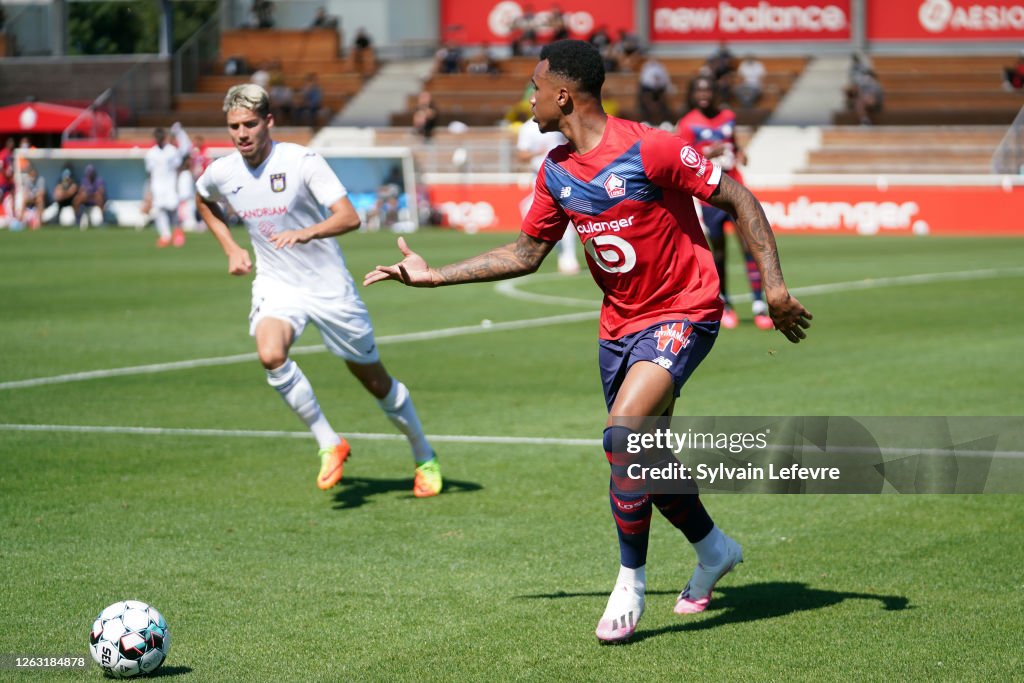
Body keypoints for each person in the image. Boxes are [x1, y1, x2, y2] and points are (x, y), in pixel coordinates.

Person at [364, 40, 811, 643]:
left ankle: (629, 581)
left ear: (564, 95)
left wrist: (775, 288)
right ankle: (713, 548)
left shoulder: (651, 146)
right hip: (619, 327)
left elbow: (739, 198)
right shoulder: (555, 171)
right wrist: (432, 275)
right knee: (645, 454)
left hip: (685, 310)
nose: (529, 99)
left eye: (534, 87)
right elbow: (525, 254)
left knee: (621, 432)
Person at [194, 84, 442, 498]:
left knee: (375, 382)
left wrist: (307, 233)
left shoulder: (301, 161)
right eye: (234, 126)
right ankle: (329, 441)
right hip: (277, 284)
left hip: (329, 288)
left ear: (268, 122)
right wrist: (231, 247)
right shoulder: (223, 171)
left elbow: (349, 217)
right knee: (270, 354)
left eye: (250, 124)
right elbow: (203, 198)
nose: (241, 133)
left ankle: (424, 454)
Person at [678, 75, 772, 330]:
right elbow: (681, 159)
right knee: (718, 251)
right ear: (693, 94)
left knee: (748, 244)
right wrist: (707, 154)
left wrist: (740, 153)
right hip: (709, 193)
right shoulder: (688, 124)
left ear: (716, 93)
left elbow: (733, 144)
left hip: (735, 186)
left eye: (708, 90)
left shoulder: (728, 117)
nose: (704, 94)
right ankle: (726, 304)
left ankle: (758, 304)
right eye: (699, 90)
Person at [516, 116, 578, 274]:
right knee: (531, 210)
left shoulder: (556, 121)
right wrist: (538, 152)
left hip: (560, 173)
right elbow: (522, 155)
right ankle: (562, 254)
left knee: (561, 214)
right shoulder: (528, 128)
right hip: (538, 176)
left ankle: (568, 257)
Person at [145, 123, 192, 248]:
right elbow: (149, 173)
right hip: (157, 186)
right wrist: (148, 192)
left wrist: (178, 185)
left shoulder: (172, 151)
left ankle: (178, 232)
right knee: (159, 210)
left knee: (173, 209)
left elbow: (178, 169)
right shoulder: (151, 153)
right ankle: (165, 235)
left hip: (170, 185)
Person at [636, 52, 673, 127]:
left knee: (664, 103)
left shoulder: (661, 67)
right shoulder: (645, 66)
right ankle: (646, 121)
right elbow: (642, 81)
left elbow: (666, 80)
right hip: (648, 89)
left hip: (659, 90)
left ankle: (665, 122)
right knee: (643, 101)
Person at [74, 164, 106, 229]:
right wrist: (85, 194)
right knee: (77, 199)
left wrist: (90, 194)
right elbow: (81, 191)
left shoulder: (99, 180)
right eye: (88, 173)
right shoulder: (84, 180)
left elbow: (101, 191)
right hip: (86, 199)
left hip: (94, 199)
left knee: (99, 198)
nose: (89, 175)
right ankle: (77, 219)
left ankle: (103, 220)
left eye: (91, 173)